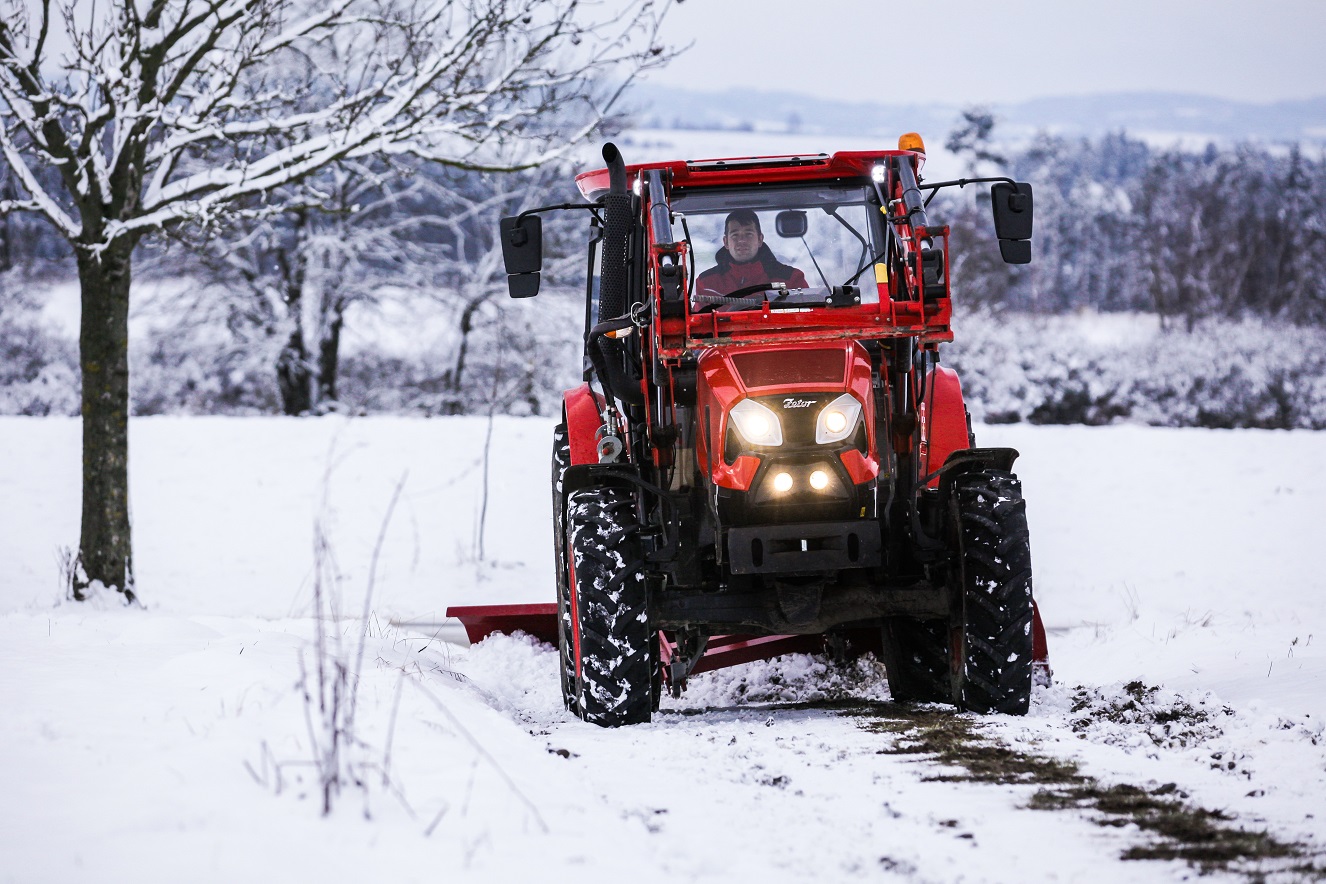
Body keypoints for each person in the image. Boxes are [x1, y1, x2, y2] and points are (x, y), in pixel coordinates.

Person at [694, 210, 809, 306]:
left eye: (748, 234)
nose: (742, 240)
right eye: (735, 235)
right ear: (726, 242)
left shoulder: (791, 279)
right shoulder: (706, 283)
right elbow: (698, 327)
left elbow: (809, 321)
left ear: (760, 239)